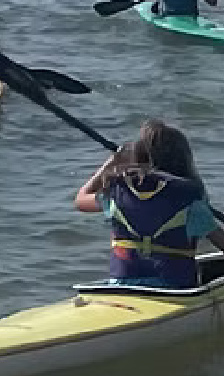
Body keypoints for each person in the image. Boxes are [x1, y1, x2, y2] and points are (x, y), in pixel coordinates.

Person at [74, 120, 224, 289]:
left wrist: (109, 165)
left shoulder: (118, 192)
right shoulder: (189, 200)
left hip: (122, 284)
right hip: (174, 287)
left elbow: (80, 200)